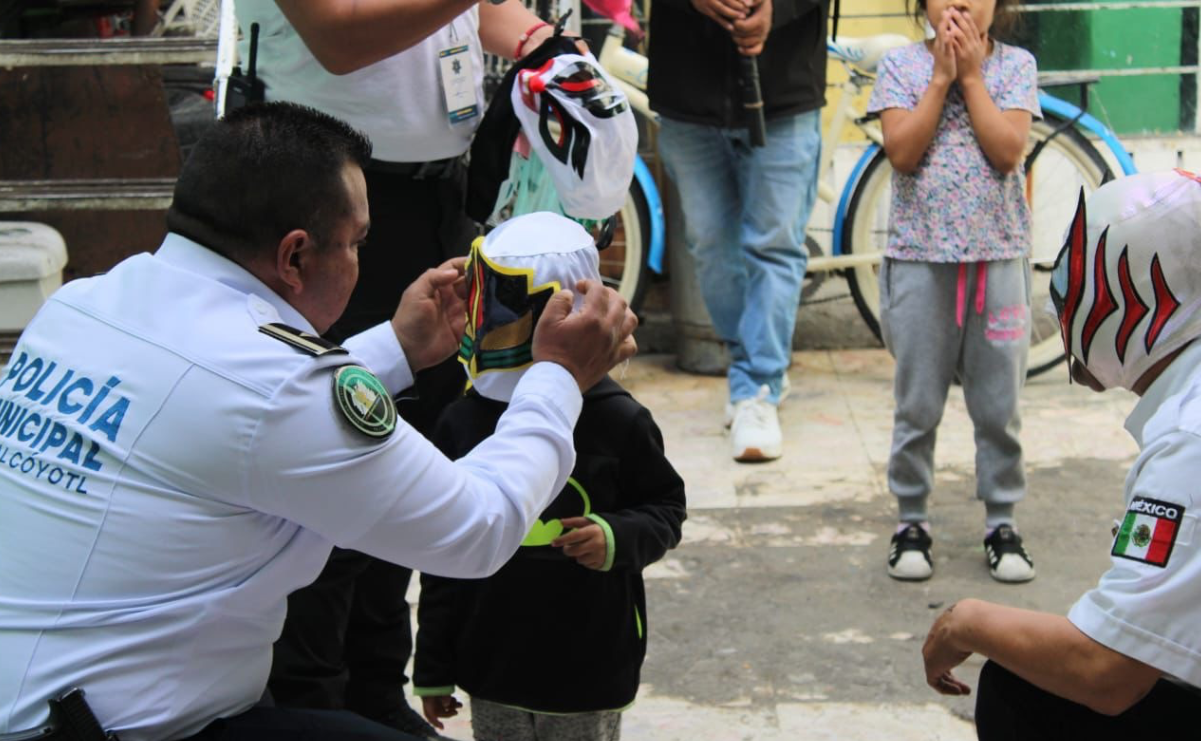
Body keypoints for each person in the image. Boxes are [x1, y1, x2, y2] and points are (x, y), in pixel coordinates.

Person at [0, 102, 638, 741]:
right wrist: (559, 377)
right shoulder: (278, 385)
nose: (363, 258)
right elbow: (478, 528)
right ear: (295, 257)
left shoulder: (83, 306)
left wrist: (396, 347)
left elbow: (234, 401)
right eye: (358, 242)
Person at [231, 3, 586, 736]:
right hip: (317, 195)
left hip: (434, 187)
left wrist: (542, 44)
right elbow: (339, 33)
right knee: (331, 442)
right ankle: (309, 697)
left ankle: (372, 681)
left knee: (415, 440)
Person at [921, 169, 1201, 739]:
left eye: (1083, 276)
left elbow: (1108, 675)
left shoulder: (1187, 445)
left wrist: (967, 622)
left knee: (1020, 689)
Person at [411, 213, 687, 741]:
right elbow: (441, 557)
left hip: (589, 667)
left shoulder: (619, 420)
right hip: (491, 668)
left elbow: (665, 511)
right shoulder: (461, 420)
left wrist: (614, 536)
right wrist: (434, 668)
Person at [868, 0, 1039, 583]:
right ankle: (911, 519)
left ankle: (1001, 521)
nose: (960, 4)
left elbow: (1007, 150)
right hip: (921, 262)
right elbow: (903, 152)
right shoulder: (901, 67)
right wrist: (942, 79)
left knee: (999, 405)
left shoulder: (1015, 66)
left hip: (997, 264)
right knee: (917, 403)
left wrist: (971, 76)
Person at [647, 0, 829, 463]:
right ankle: (754, 374)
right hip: (687, 89)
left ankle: (757, 388)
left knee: (773, 247)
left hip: (785, 86)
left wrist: (777, 8)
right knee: (710, 247)